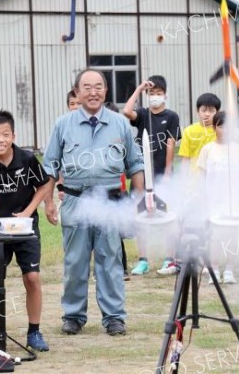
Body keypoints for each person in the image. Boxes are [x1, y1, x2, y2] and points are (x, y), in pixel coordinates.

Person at [43, 69, 144, 336]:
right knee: (75, 261)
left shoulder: (120, 123)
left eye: (98, 86)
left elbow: (135, 164)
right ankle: (73, 315)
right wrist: (49, 203)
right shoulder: (63, 124)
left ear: (106, 91)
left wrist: (138, 199)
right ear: (76, 92)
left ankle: (114, 317)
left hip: (110, 201)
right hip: (75, 200)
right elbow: (50, 165)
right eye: (86, 87)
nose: (93, 92)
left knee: (110, 260)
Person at [0, 110, 53, 352]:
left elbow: (45, 184)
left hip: (25, 228)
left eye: (6, 134)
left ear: (13, 135)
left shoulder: (27, 159)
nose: (1, 139)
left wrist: (28, 211)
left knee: (32, 277)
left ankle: (34, 331)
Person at [122, 76, 180, 276]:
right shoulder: (143, 115)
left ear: (165, 94)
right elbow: (126, 111)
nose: (155, 97)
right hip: (141, 175)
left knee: (167, 217)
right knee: (140, 217)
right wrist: (139, 88)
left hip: (161, 173)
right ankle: (143, 259)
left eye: (159, 93)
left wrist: (167, 171)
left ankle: (169, 259)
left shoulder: (172, 116)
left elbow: (171, 143)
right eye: (152, 93)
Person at [197, 111, 239, 284]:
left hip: (234, 200)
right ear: (214, 128)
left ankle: (229, 269)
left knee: (232, 235)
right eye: (221, 126)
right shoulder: (207, 150)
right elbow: (201, 177)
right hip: (214, 199)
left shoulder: (238, 150)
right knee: (214, 236)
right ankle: (214, 268)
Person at [179, 93, 222, 170]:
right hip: (194, 178)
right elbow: (185, 159)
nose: (207, 114)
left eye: (211, 111)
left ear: (217, 112)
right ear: (197, 110)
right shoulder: (188, 131)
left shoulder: (221, 131)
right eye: (203, 110)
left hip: (215, 175)